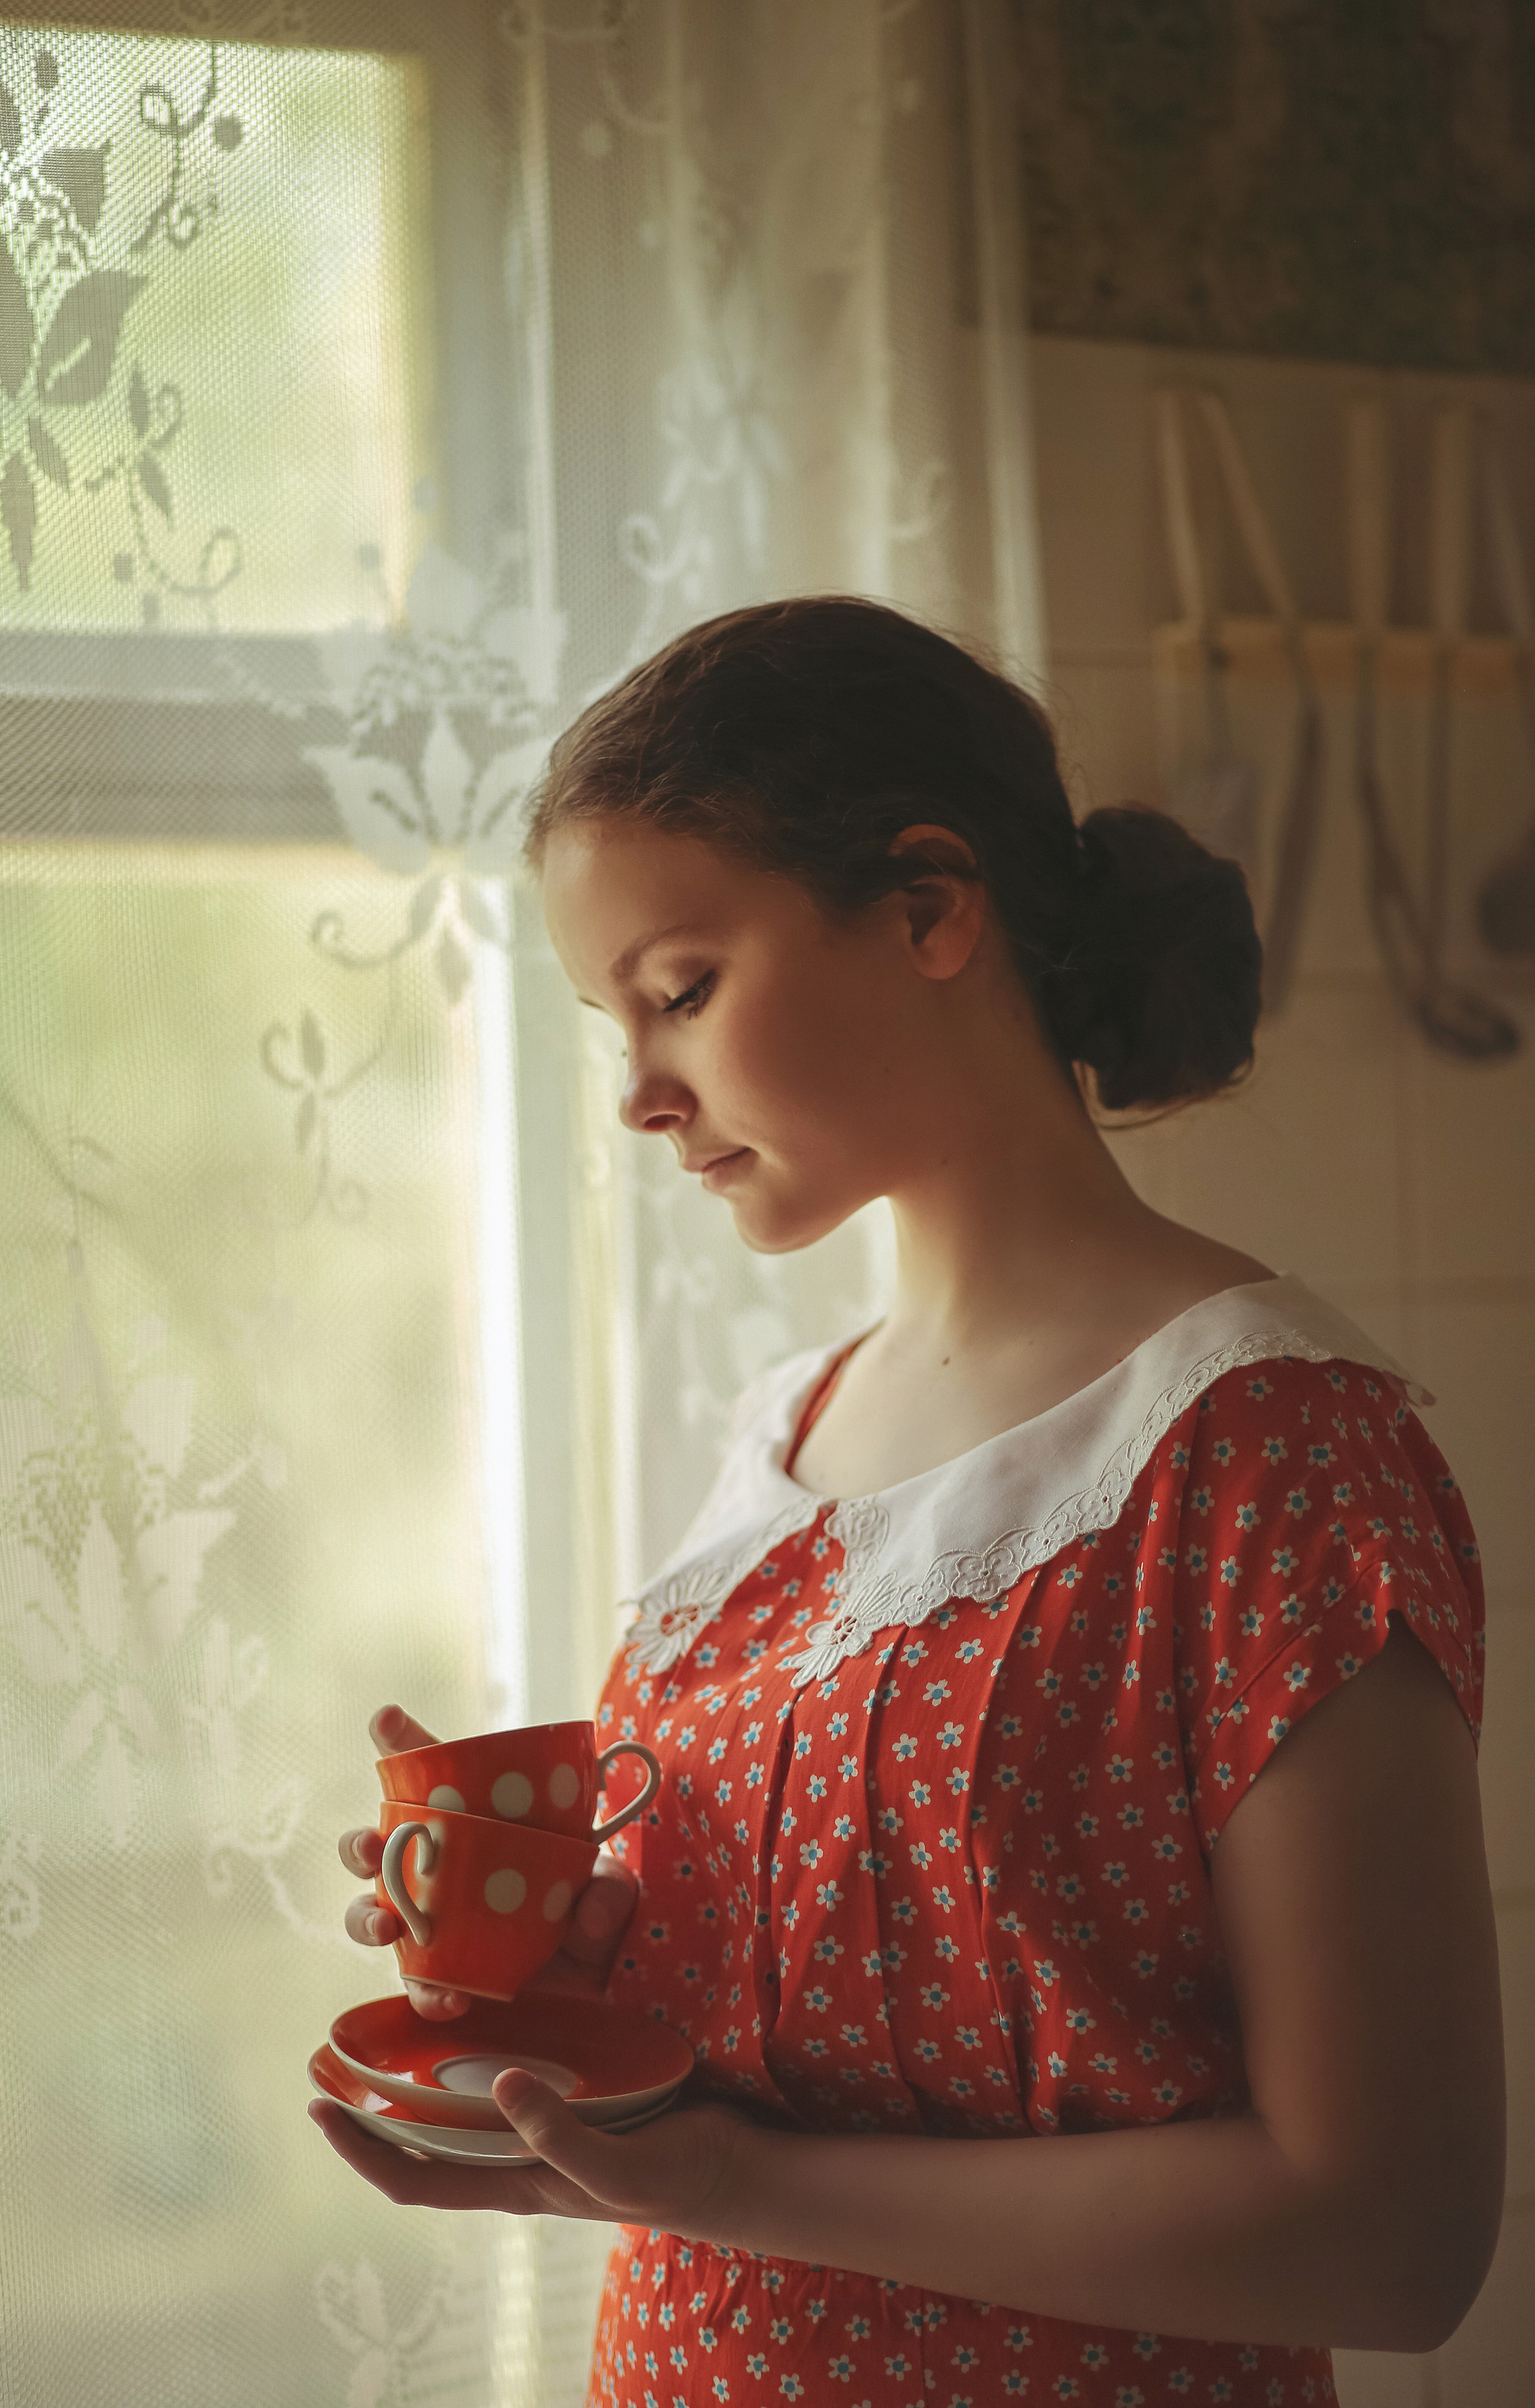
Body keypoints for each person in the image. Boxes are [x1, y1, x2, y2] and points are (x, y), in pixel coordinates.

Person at [314, 598, 1504, 2406]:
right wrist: (559, 2003)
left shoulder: (1271, 1458)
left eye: (683, 990)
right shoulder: (776, 1437)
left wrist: (744, 2186)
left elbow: (1390, 2235)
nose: (639, 1095)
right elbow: (846, 2027)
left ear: (934, 907)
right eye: (612, 1022)